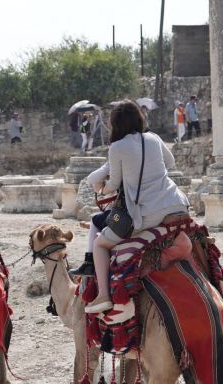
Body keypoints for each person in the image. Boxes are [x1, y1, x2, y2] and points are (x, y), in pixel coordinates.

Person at [78, 100, 192, 314]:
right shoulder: (154, 138)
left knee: (100, 245)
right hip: (177, 204)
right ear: (139, 118)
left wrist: (102, 190)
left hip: (148, 213)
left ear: (116, 124)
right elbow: (170, 162)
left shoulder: (117, 147)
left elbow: (113, 185)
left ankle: (103, 295)